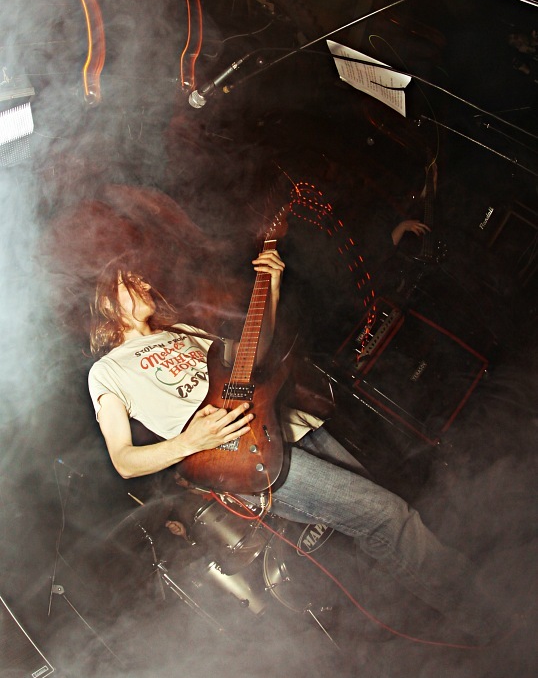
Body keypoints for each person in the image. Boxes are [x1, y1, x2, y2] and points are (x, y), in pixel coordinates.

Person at [87, 250, 510, 643]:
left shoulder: (184, 333)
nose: (144, 283)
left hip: (292, 425)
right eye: (129, 282)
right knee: (386, 515)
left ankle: (420, 620)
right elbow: (124, 461)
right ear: (106, 302)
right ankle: (489, 617)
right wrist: (188, 441)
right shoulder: (108, 371)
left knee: (378, 518)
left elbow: (254, 357)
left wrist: (269, 287)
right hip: (240, 456)